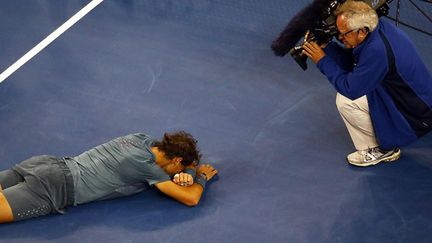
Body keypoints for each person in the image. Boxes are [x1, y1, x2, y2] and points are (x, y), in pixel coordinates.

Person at [302, 0, 432, 167]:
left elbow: (351, 88)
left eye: (343, 34)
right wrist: (327, 46)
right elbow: (356, 64)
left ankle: (380, 151)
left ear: (361, 31)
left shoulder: (376, 51)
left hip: (417, 116)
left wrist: (322, 61)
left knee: (346, 101)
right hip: (421, 100)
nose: (340, 38)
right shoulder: (377, 29)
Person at [0, 131, 218, 223]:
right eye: (177, 170)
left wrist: (187, 172)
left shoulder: (141, 138)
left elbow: (189, 163)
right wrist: (200, 178)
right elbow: (191, 199)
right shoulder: (147, 169)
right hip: (53, 189)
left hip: (45, 164)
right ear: (176, 160)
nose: (173, 175)